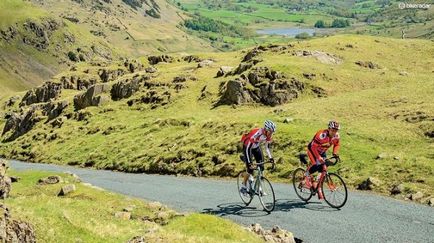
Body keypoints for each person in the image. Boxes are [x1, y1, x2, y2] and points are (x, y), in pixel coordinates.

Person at [304, 120, 341, 199]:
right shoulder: (321, 135)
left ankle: (317, 183)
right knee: (316, 164)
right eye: (332, 130)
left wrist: (335, 153)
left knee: (323, 167)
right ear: (329, 129)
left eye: (336, 130)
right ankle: (306, 174)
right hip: (312, 150)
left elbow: (337, 144)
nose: (334, 132)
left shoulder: (336, 136)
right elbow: (313, 147)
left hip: (322, 151)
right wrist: (318, 157)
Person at [239, 120, 276, 195]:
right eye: (270, 132)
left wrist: (270, 158)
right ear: (266, 130)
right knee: (250, 169)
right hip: (247, 147)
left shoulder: (268, 135)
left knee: (261, 168)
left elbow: (267, 148)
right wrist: (249, 162)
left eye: (272, 132)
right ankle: (244, 185)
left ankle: (259, 187)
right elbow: (248, 147)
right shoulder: (257, 134)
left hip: (256, 147)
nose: (271, 134)